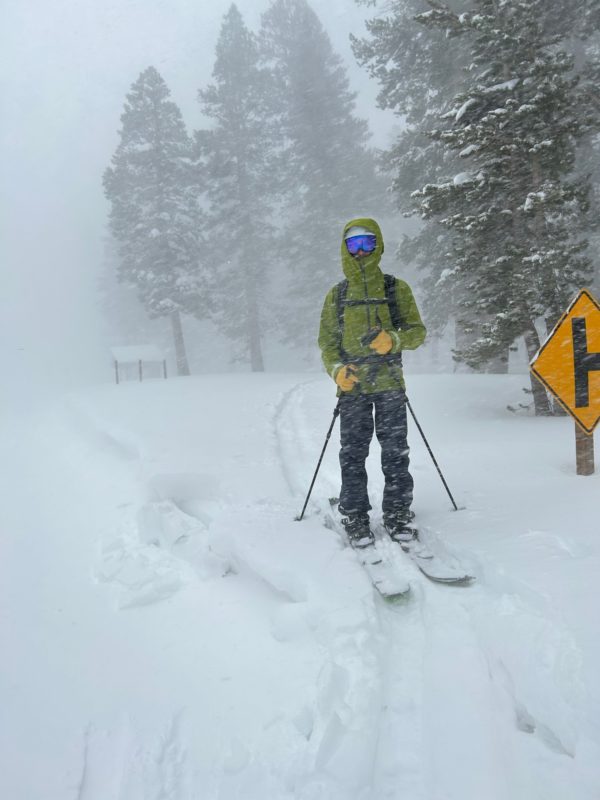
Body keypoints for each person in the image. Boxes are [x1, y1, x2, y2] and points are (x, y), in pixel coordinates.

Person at [318, 217, 426, 548]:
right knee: (352, 453)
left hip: (390, 384)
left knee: (395, 453)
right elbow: (327, 344)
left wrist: (392, 339)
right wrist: (337, 369)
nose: (361, 251)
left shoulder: (396, 289)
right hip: (353, 389)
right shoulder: (337, 296)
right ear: (345, 248)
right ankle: (355, 514)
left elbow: (417, 332)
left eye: (367, 243)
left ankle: (397, 514)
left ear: (377, 244)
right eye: (354, 244)